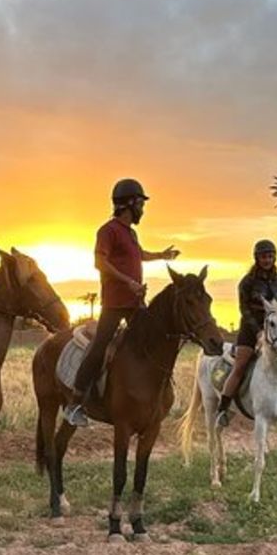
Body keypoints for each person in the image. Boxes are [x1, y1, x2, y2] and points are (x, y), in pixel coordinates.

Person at [63, 178, 179, 428]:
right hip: (115, 303)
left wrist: (162, 255)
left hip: (136, 303)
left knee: (154, 342)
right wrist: (128, 282)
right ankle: (75, 402)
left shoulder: (131, 234)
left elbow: (139, 255)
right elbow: (100, 262)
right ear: (129, 203)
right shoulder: (108, 231)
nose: (143, 210)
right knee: (99, 346)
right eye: (141, 203)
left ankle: (152, 395)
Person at [215, 239, 277, 428]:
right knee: (240, 366)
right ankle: (223, 408)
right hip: (250, 328)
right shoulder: (247, 283)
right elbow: (244, 309)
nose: (267, 260)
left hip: (276, 330)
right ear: (257, 258)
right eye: (264, 256)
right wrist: (257, 332)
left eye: (270, 256)